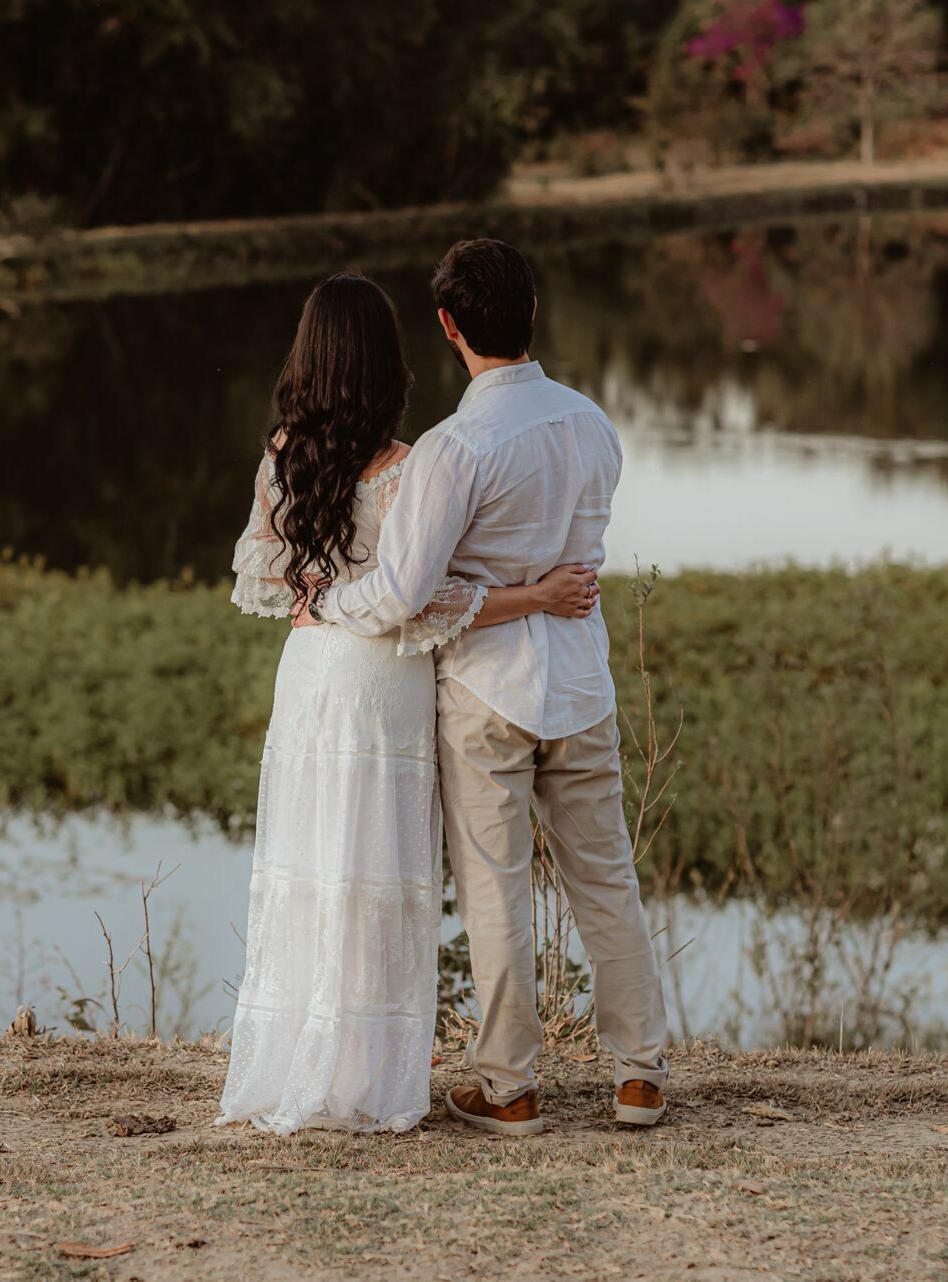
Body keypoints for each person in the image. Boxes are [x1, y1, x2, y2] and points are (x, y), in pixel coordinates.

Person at [217, 271, 599, 1135]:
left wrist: (314, 589)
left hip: (312, 671)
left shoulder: (283, 453)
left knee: (315, 864)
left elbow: (257, 566)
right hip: (383, 681)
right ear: (389, 363)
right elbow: (420, 601)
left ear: (307, 360)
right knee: (378, 874)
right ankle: (364, 1074)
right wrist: (536, 597)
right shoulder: (408, 467)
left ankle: (302, 1061)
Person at [302, 239, 670, 1136]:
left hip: (486, 693)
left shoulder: (453, 448)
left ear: (449, 327)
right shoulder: (592, 423)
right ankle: (640, 1077)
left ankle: (511, 1088)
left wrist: (326, 601)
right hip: (582, 683)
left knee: (495, 890)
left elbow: (400, 593)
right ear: (533, 314)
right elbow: (580, 548)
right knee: (607, 881)